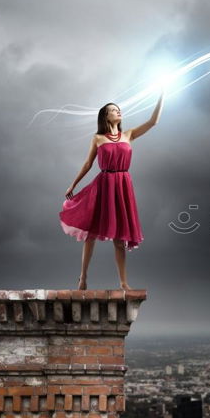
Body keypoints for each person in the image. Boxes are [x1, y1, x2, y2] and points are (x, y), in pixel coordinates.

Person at [59, 92, 164, 290]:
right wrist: (73, 184)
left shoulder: (129, 134)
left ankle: (124, 283)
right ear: (106, 116)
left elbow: (153, 122)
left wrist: (162, 95)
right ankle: (82, 278)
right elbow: (88, 163)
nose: (118, 111)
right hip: (103, 185)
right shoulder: (98, 138)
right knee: (91, 234)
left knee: (119, 238)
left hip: (122, 185)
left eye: (118, 109)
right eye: (114, 110)